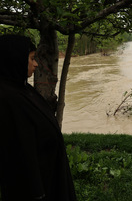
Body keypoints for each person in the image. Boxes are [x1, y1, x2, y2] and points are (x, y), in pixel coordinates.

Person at [0, 35, 77, 201]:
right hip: (39, 186)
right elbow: (19, 155)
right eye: (31, 58)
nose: (35, 64)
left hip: (51, 174)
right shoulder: (8, 100)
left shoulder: (22, 88)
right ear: (14, 59)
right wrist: (36, 194)